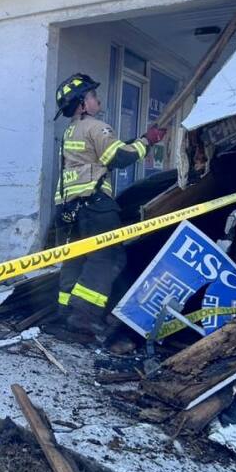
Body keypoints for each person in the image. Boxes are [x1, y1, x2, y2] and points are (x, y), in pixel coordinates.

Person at [52, 73, 166, 348]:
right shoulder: (96, 126)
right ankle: (84, 315)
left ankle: (65, 311)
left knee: (76, 259)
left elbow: (105, 156)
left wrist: (138, 139)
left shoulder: (72, 130)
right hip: (95, 205)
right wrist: (149, 141)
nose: (97, 99)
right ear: (82, 103)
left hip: (71, 208)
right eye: (91, 95)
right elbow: (120, 157)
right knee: (107, 257)